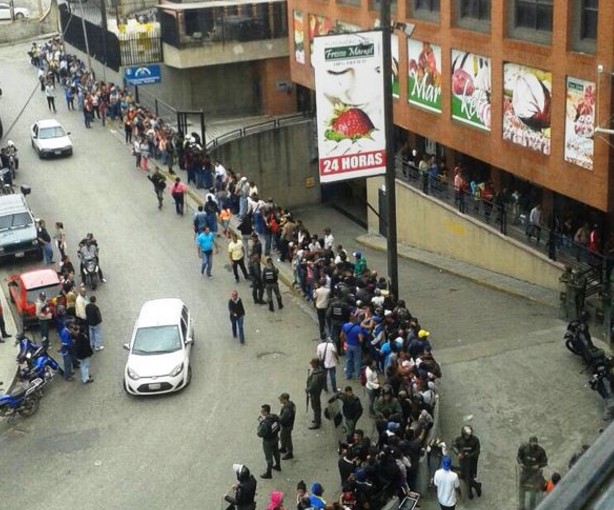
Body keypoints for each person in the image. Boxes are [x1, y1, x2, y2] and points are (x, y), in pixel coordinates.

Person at [517, 436, 548, 510]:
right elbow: (518, 457)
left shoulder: (541, 451)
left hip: (535, 473)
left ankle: (532, 506)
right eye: (532, 443)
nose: (534, 445)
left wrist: (538, 466)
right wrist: (520, 463)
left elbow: (545, 462)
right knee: (522, 487)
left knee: (533, 490)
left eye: (535, 443)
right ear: (529, 443)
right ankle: (521, 506)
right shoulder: (524, 449)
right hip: (525, 471)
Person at [452, 425, 482, 499]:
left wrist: (467, 456)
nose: (467, 437)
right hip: (462, 462)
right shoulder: (459, 439)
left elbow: (477, 452)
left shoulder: (475, 440)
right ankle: (475, 486)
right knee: (464, 476)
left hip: (472, 462)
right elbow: (454, 446)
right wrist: (458, 453)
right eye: (465, 435)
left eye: (468, 435)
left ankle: (472, 489)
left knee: (469, 476)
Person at [257, 404, 281, 479]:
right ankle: (278, 465)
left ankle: (269, 473)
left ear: (265, 412)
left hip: (268, 441)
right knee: (276, 452)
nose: (261, 412)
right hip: (275, 437)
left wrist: (260, 425)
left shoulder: (265, 424)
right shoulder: (274, 416)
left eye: (262, 411)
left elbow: (259, 434)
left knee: (269, 457)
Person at [306, 357, 326, 430]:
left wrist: (307, 389)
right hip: (317, 391)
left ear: (315, 364)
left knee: (315, 407)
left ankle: (317, 422)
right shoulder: (319, 370)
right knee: (316, 406)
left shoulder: (316, 375)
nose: (311, 364)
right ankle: (317, 418)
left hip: (315, 393)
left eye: (312, 363)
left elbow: (313, 386)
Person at [278, 393, 296, 460]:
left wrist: (277, 418)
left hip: (287, 426)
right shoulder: (291, 404)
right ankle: (283, 447)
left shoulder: (287, 409)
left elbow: (282, 419)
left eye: (281, 399)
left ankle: (290, 452)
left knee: (287, 438)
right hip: (289, 424)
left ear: (285, 399)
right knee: (283, 436)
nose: (280, 400)